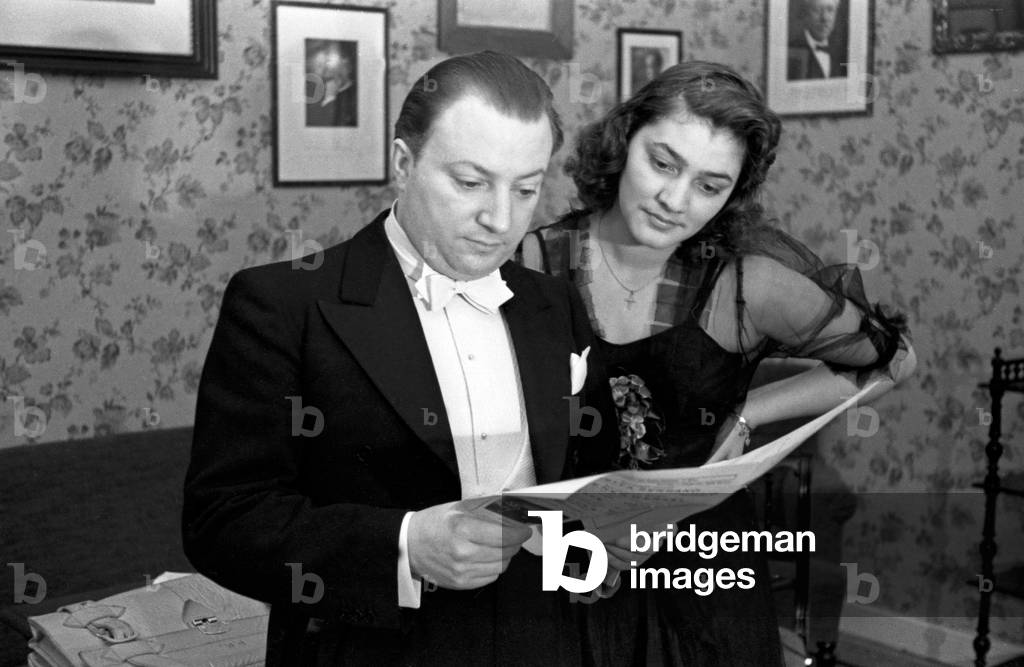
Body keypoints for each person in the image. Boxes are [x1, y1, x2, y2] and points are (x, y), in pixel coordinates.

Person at [183, 51, 612, 666]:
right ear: (404, 164)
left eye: (525, 189)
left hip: (546, 642)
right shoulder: (282, 304)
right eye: (470, 183)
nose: (500, 219)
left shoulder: (554, 303)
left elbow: (586, 472)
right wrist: (406, 545)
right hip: (365, 650)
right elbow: (222, 522)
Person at [521, 60, 916, 665]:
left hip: (705, 583)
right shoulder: (532, 265)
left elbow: (895, 359)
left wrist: (750, 411)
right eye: (662, 163)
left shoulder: (746, 285)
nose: (674, 201)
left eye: (710, 186)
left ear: (734, 193)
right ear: (623, 140)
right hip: (561, 574)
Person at [787, 0, 847, 79]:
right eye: (817, 10)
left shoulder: (842, 51)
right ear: (806, 15)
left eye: (830, 10)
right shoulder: (791, 50)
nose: (824, 18)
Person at [305, 42, 357, 127]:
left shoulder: (352, 95)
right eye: (319, 65)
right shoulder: (317, 86)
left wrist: (330, 98)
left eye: (328, 62)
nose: (326, 68)